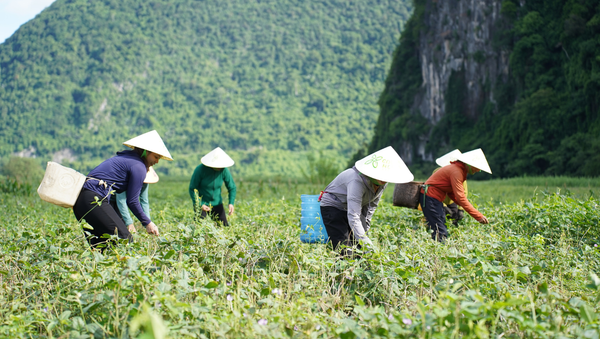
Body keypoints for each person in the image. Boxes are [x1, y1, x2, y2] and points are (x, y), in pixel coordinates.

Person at [73, 130, 173, 249]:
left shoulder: (125, 158)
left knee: (103, 246)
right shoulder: (138, 166)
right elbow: (132, 201)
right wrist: (147, 223)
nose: (157, 161)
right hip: (94, 199)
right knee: (125, 240)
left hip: (80, 200)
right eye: (156, 157)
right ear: (146, 152)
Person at [319, 146, 413, 257]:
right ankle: (344, 273)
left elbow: (370, 209)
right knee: (345, 249)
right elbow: (353, 215)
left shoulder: (382, 183)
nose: (384, 179)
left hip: (349, 208)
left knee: (359, 250)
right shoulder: (356, 180)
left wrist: (364, 235)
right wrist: (366, 243)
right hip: (333, 207)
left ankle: (359, 272)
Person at [419, 148, 491, 242]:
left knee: (440, 227)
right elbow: (461, 198)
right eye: (477, 168)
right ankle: (440, 254)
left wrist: (462, 207)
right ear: (469, 164)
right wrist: (478, 216)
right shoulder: (456, 172)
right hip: (431, 198)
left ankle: (437, 250)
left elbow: (452, 193)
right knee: (440, 231)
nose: (477, 170)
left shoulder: (458, 170)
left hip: (433, 198)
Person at [189, 147, 237, 226]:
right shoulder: (200, 170)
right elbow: (192, 188)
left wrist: (231, 203)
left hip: (217, 204)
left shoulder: (224, 171)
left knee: (224, 227)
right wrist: (200, 204)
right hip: (202, 203)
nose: (219, 167)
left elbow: (232, 187)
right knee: (199, 227)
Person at [116, 166, 159, 233]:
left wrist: (148, 223)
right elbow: (121, 201)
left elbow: (144, 201)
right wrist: (129, 223)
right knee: (119, 229)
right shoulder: (124, 179)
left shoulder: (145, 182)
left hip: (120, 202)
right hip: (109, 199)